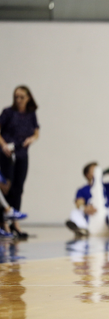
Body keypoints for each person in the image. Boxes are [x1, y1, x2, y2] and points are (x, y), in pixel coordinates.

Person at [0, 85, 39, 239]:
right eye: (16, 97)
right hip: (6, 153)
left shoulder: (31, 114)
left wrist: (32, 138)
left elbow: (36, 131)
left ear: (28, 97)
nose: (19, 100)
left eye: (22, 97)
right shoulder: (8, 113)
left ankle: (15, 222)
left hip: (22, 154)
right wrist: (3, 145)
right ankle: (4, 222)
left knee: (18, 188)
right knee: (6, 187)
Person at [66, 162, 109, 238]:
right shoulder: (82, 190)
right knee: (75, 212)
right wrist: (84, 208)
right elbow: (79, 202)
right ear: (87, 175)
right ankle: (82, 229)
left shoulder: (108, 186)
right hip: (91, 215)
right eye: (94, 170)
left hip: (107, 215)